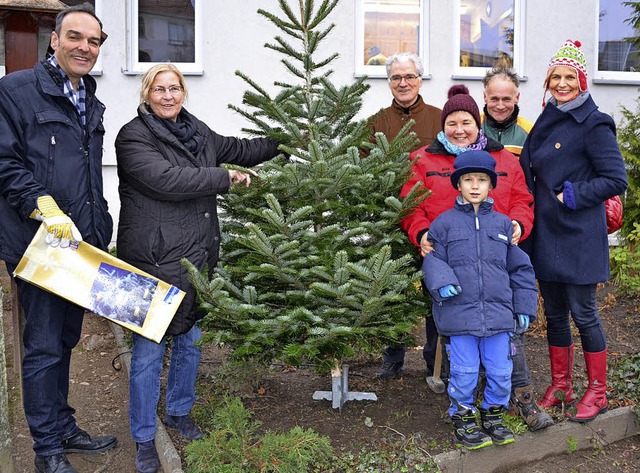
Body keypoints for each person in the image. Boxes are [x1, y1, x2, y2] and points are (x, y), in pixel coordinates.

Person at [115, 63, 282, 473]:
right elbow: (166, 180)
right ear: (146, 94)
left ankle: (179, 412)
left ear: (183, 92)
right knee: (149, 352)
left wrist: (284, 142)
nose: (168, 96)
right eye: (160, 89)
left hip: (198, 256)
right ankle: (143, 437)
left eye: (175, 88)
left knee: (189, 342)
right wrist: (224, 177)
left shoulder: (197, 131)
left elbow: (240, 149)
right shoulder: (133, 136)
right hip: (154, 260)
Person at [0, 3, 117, 473]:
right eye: (75, 38)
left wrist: (99, 228)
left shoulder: (88, 94)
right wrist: (43, 207)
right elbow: (5, 164)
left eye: (93, 41)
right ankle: (47, 446)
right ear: (55, 40)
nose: (84, 48)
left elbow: (87, 174)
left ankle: (63, 425)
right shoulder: (16, 91)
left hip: (79, 245)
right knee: (44, 345)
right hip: (39, 244)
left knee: (67, 338)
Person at [399, 85, 553, 432]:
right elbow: (410, 205)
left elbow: (522, 199)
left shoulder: (503, 159)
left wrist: (517, 223)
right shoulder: (423, 159)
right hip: (447, 259)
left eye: (466, 121)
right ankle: (463, 402)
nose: (459, 129)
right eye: (452, 122)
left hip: (494, 258)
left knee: (506, 331)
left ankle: (523, 398)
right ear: (443, 125)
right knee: (456, 328)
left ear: (477, 123)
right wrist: (422, 233)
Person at [519, 40, 628, 422]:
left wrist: (575, 194)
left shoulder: (594, 123)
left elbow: (616, 179)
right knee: (555, 313)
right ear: (547, 82)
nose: (562, 83)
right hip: (547, 234)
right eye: (556, 77)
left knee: (585, 314)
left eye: (570, 77)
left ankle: (597, 391)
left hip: (578, 234)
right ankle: (561, 384)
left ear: (582, 81)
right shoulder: (548, 116)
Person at [422, 150, 538, 450]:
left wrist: (524, 306)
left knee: (501, 371)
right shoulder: (444, 224)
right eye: (468, 180)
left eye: (482, 180)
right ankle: (463, 416)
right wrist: (442, 281)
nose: (475, 186)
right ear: (458, 185)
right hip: (460, 317)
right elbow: (431, 258)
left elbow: (521, 268)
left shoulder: (502, 225)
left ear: (491, 185)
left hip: (499, 317)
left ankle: (493, 415)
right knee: (465, 371)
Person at [368, 52, 441, 152]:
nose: (402, 84)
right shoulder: (374, 123)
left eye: (410, 77)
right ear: (389, 84)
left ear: (420, 82)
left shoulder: (440, 119)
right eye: (396, 78)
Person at [481, 66, 533, 159]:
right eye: (494, 99)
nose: (500, 106)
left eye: (506, 99)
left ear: (517, 97)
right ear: (485, 97)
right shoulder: (473, 127)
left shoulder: (530, 132)